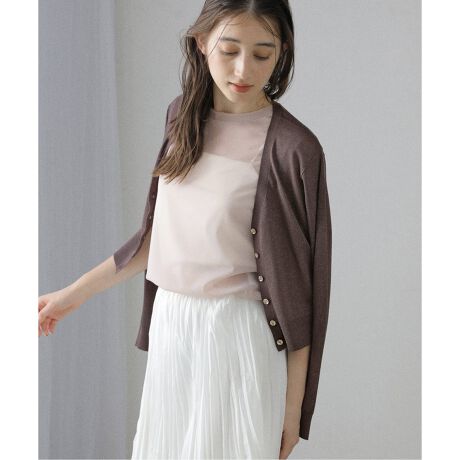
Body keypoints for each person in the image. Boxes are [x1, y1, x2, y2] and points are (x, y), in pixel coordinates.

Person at [39, 1, 333, 459]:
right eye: (229, 49)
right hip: (173, 327)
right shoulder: (180, 118)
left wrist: (293, 411)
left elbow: (303, 295)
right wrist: (71, 295)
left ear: (282, 52)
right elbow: (155, 240)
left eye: (262, 54)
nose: (244, 69)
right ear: (201, 42)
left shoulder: (294, 149)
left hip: (240, 336)